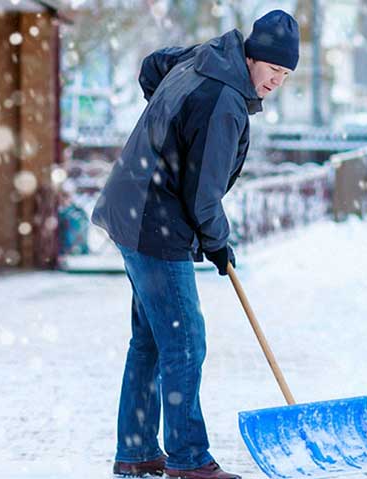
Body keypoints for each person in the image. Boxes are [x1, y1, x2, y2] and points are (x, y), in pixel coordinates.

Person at [91, 10, 298, 479]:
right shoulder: (225, 101)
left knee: (150, 340)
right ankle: (187, 459)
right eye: (272, 69)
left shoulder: (206, 59)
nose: (276, 82)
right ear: (253, 56)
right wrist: (219, 244)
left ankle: (138, 449)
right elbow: (203, 194)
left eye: (285, 75)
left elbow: (152, 66)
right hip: (154, 222)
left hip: (133, 208)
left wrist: (166, 131)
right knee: (184, 342)